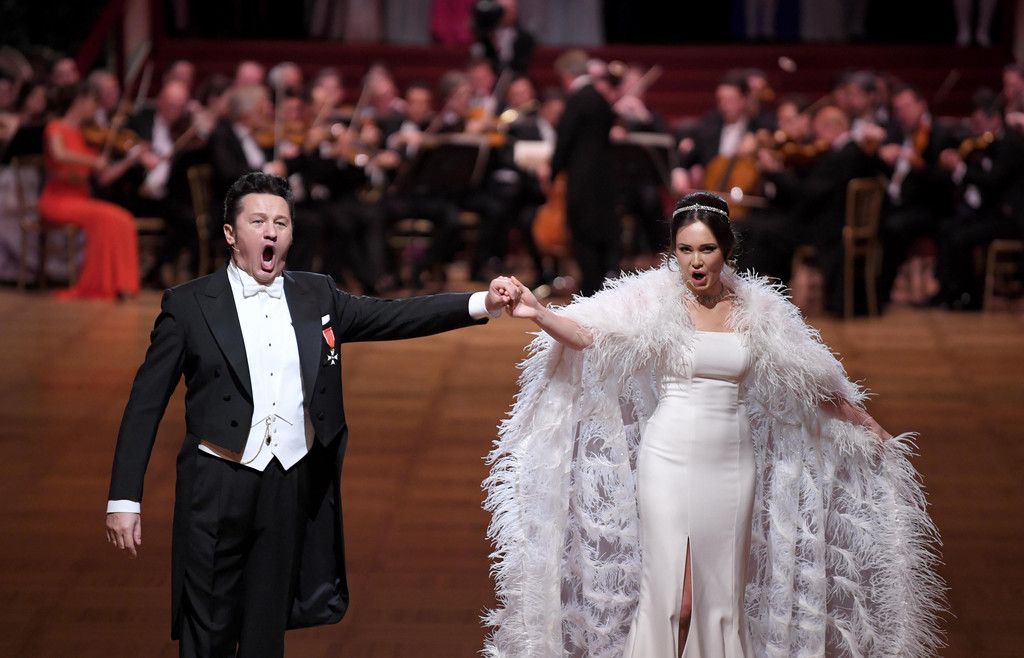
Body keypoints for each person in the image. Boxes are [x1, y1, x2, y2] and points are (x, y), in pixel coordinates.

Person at [483, 192, 944, 657]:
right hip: (666, 458)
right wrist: (540, 313)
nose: (696, 261)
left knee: (721, 600)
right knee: (673, 603)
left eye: (707, 249)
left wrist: (868, 425)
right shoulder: (651, 299)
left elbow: (809, 379)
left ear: (726, 250)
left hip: (730, 463)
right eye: (685, 250)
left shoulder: (759, 309)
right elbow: (587, 335)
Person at [105, 171, 520, 657]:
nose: (271, 231)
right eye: (258, 221)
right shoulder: (189, 305)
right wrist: (124, 499)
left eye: (281, 223)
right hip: (215, 486)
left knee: (266, 631)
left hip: (286, 483)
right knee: (207, 633)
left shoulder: (316, 295)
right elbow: (145, 405)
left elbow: (393, 316)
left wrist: (481, 303)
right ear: (230, 233)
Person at [39, 82, 141, 299]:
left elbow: (103, 177)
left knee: (123, 218)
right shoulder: (55, 127)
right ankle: (97, 285)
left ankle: (121, 285)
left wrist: (128, 162)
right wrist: (92, 161)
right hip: (57, 200)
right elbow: (59, 154)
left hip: (81, 200)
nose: (96, 109)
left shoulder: (86, 135)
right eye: (94, 103)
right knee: (105, 217)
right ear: (80, 100)